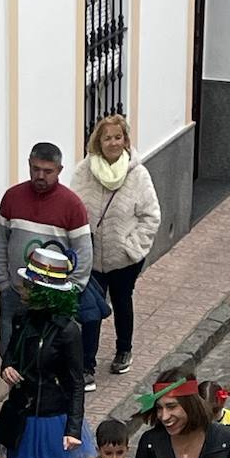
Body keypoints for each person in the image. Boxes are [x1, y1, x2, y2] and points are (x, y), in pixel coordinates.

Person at [0, 244, 93, 458]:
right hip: (22, 415)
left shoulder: (68, 331)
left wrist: (73, 428)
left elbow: (76, 382)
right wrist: (7, 368)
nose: (21, 290)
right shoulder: (21, 319)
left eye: (27, 285)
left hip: (53, 418)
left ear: (42, 291)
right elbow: (10, 353)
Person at [71, 113, 161, 385]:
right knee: (91, 309)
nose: (113, 143)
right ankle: (87, 364)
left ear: (126, 140)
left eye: (118, 137)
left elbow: (151, 216)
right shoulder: (83, 171)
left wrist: (132, 247)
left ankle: (124, 350)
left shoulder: (138, 174)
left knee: (122, 301)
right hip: (91, 256)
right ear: (98, 141)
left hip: (124, 258)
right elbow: (72, 209)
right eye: (107, 137)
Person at [0, 142, 92, 357]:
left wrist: (70, 292)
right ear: (28, 165)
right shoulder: (12, 198)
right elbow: (0, 242)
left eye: (48, 171)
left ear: (59, 171)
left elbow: (84, 253)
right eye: (35, 169)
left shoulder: (72, 205)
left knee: (48, 357)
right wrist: (3, 284)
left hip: (53, 299)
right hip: (15, 294)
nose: (40, 176)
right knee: (10, 355)